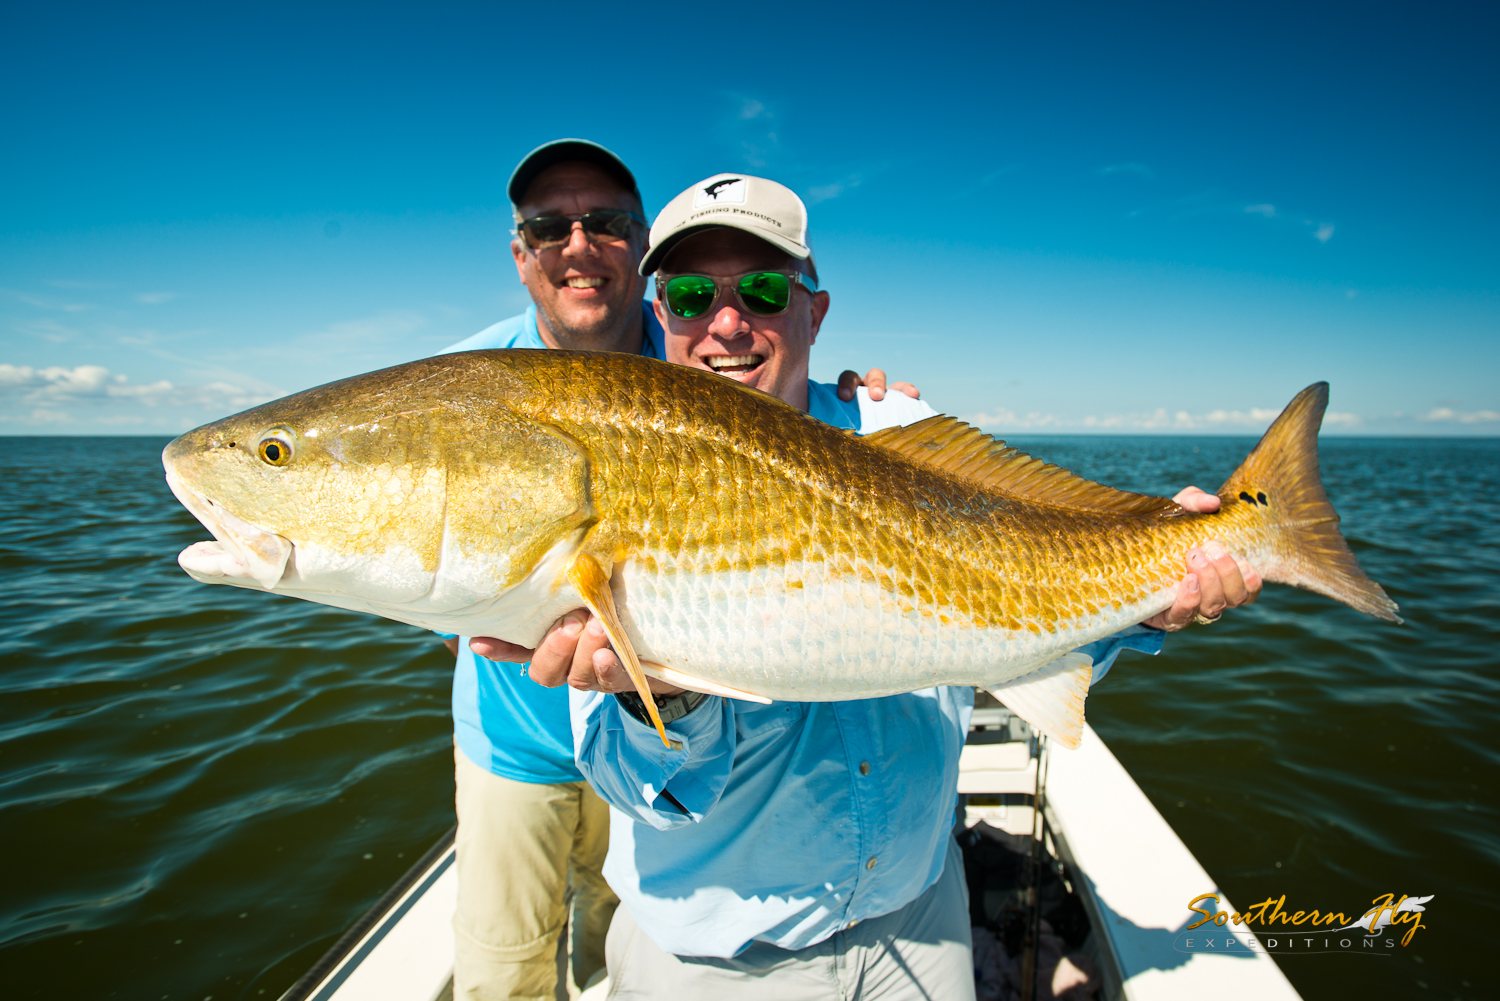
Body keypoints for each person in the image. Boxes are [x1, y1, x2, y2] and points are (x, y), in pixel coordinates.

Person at [481, 173, 1261, 998]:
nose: (728, 321)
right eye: (689, 293)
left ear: (813, 312)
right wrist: (661, 702)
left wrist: (1152, 601)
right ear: (659, 312)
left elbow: (1024, 611)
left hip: (922, 915)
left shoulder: (899, 430)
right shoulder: (610, 450)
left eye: (765, 288)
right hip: (722, 961)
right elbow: (648, 797)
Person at [437, 142, 919, 1001]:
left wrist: (872, 426)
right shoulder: (470, 384)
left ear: (639, 249)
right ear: (521, 254)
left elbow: (763, 393)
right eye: (550, 227)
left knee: (607, 926)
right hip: (522, 734)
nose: (578, 245)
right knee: (506, 962)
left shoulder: (689, 360)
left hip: (648, 722)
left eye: (608, 224)